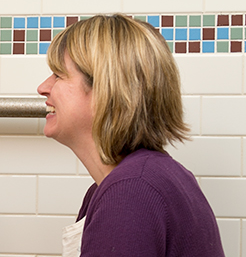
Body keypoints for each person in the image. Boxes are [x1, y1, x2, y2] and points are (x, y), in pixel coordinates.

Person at [37, 14, 224, 257]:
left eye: (59, 75)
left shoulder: (131, 191)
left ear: (106, 90)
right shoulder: (137, 180)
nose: (43, 87)